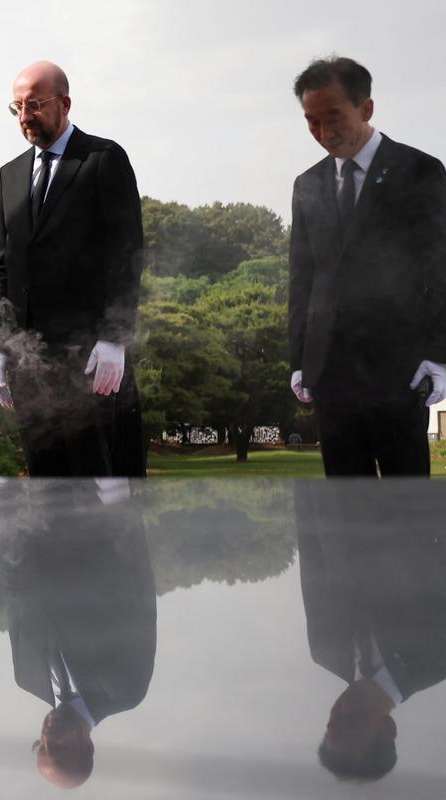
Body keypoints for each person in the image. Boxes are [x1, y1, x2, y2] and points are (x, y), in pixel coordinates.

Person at [287, 56, 446, 476]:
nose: (323, 132)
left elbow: (440, 268)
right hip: (331, 372)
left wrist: (439, 354)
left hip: (400, 368)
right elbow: (302, 279)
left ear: (366, 108)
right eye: (311, 121)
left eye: (333, 116)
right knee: (344, 509)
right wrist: (299, 359)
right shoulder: (307, 185)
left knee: (404, 508)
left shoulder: (420, 171)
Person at [0, 61, 145, 477]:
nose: (25, 117)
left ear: (65, 103)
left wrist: (115, 338)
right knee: (46, 488)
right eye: (17, 107)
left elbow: (127, 255)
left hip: (91, 360)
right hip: (29, 363)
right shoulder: (9, 176)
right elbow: (2, 266)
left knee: (102, 486)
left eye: (35, 105)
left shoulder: (103, 159)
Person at [0, 479, 155, 789]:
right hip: (92, 504)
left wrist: (5, 500)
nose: (48, 737)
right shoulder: (126, 692)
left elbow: (14, 591)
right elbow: (138, 594)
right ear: (88, 747)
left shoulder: (26, 678)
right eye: (60, 748)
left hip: (29, 502)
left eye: (42, 747)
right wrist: (116, 504)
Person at [296, 481, 446, 781]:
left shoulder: (322, 651)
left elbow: (311, 553)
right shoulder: (438, 658)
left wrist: (305, 486)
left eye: (334, 720)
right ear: (388, 728)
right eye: (354, 720)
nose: (343, 706)